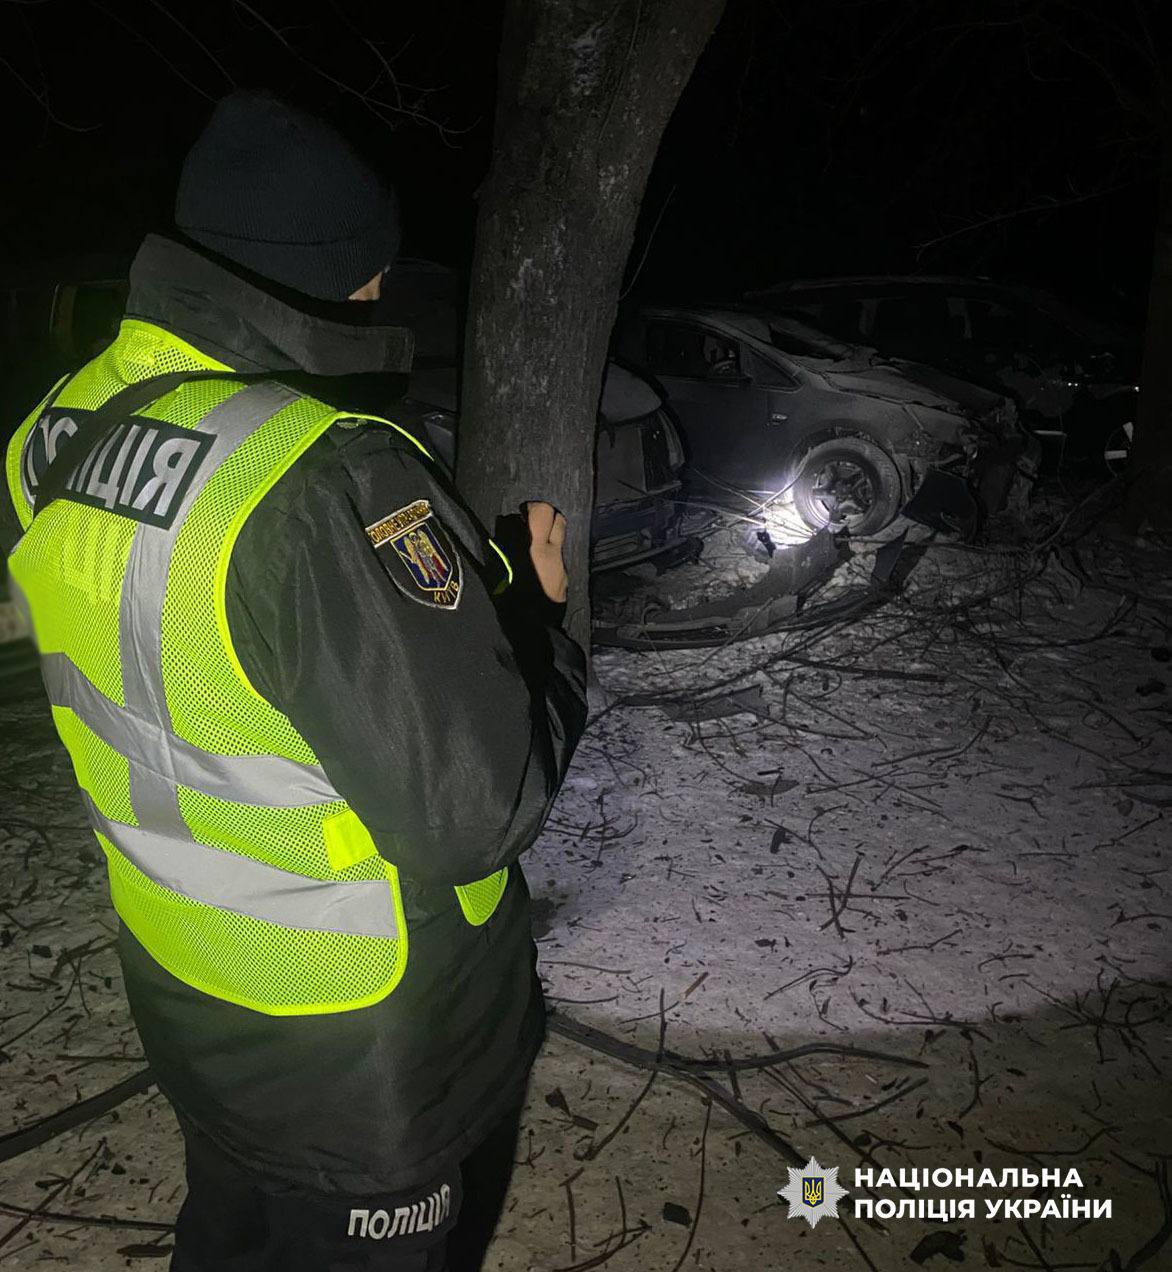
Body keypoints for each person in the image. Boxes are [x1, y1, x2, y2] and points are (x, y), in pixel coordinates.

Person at [2, 91, 587, 1271]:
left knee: (229, 1235)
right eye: (373, 272)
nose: (382, 293)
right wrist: (541, 622)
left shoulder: (57, 430)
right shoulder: (321, 480)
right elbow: (477, 811)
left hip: (185, 979)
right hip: (363, 1043)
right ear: (333, 275)